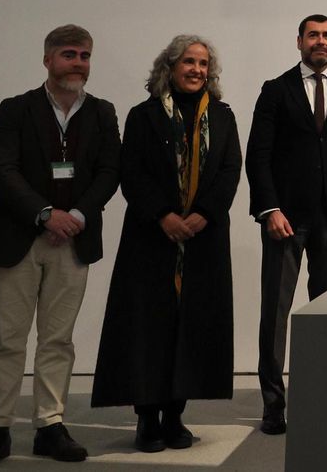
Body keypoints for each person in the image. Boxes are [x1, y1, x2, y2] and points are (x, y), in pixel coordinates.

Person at [0, 25, 120, 470]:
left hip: (75, 240)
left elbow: (110, 170)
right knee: (9, 339)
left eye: (85, 55)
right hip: (19, 237)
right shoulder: (16, 109)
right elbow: (0, 168)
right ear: (48, 60)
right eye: (69, 54)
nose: (78, 63)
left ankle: (49, 425)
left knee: (58, 339)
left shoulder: (103, 112)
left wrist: (77, 218)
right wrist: (45, 214)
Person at [93, 35, 242, 453]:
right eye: (188, 62)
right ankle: (147, 419)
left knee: (193, 328)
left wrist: (205, 214)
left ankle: (176, 416)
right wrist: (164, 215)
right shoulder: (143, 116)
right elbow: (131, 172)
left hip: (204, 238)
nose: (197, 70)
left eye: (203, 63)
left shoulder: (225, 117)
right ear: (170, 67)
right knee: (148, 328)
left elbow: (231, 169)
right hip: (151, 237)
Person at [246, 15, 327, 437]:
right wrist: (269, 209)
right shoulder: (275, 90)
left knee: (326, 313)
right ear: (299, 41)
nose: (320, 42)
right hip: (285, 219)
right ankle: (273, 405)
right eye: (313, 35)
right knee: (275, 313)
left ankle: (323, 394)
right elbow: (258, 155)